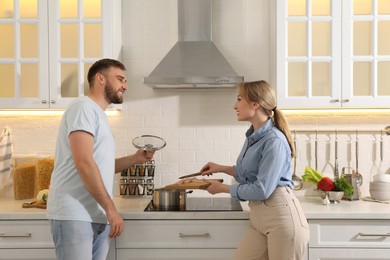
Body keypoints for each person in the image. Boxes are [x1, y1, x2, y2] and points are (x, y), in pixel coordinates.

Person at [47, 58, 154, 260]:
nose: (125, 85)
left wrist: (135, 159)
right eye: (120, 79)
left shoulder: (99, 114)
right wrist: (111, 209)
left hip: (95, 214)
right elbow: (84, 163)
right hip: (74, 213)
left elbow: (99, 165)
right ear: (100, 78)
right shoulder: (82, 108)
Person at [199, 80, 309, 260]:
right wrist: (222, 168)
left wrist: (224, 189)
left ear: (255, 104)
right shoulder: (254, 136)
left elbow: (262, 189)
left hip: (281, 220)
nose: (235, 106)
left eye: (239, 99)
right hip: (259, 219)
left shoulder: (274, 140)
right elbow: (249, 175)